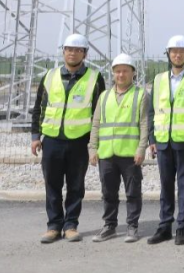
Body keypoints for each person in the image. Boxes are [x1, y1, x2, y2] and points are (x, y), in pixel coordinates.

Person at [31, 33, 106, 244]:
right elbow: (38, 108)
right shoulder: (50, 76)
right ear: (63, 52)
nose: (72, 53)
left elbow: (99, 112)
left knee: (75, 186)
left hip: (79, 141)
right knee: (52, 185)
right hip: (52, 139)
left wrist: (95, 144)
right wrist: (35, 136)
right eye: (69, 49)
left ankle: (71, 225)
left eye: (77, 50)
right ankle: (54, 226)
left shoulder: (94, 78)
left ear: (84, 54)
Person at [148, 35, 184, 246]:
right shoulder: (159, 79)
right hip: (163, 141)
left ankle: (182, 227)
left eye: (182, 51)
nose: (177, 54)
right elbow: (152, 110)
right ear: (168, 54)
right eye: (173, 51)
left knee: (183, 185)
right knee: (165, 186)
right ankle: (164, 227)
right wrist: (152, 138)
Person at [89, 53, 149, 243]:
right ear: (113, 73)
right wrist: (92, 149)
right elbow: (96, 123)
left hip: (130, 153)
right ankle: (109, 226)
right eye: (117, 71)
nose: (121, 75)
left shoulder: (140, 95)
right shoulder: (104, 96)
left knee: (133, 192)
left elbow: (144, 124)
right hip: (107, 153)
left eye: (125, 71)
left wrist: (141, 149)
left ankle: (132, 226)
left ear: (133, 73)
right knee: (108, 192)